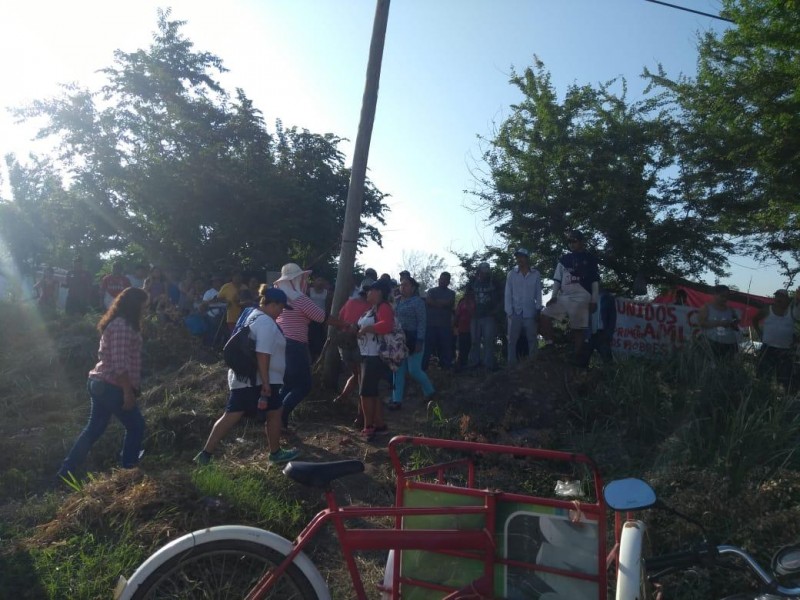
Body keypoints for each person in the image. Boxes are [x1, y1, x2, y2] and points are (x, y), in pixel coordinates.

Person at [194, 287, 300, 466]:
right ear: (272, 304)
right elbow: (262, 353)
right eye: (281, 307)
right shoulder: (266, 322)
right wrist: (266, 382)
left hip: (248, 377)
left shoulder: (250, 314)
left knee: (273, 412)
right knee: (234, 414)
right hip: (258, 380)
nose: (282, 312)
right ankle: (206, 454)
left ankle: (206, 454)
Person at [58, 287, 149, 479]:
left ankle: (65, 472)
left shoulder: (119, 324)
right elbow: (119, 364)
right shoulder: (123, 327)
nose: (145, 310)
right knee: (136, 426)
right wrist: (127, 392)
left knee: (94, 430)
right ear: (135, 305)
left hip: (101, 383)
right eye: (143, 306)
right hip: (111, 386)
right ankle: (128, 472)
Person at [275, 263, 342, 432]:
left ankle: (275, 419)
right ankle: (280, 415)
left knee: (289, 384)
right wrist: (345, 324)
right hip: (295, 345)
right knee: (303, 386)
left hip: (280, 344)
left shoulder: (279, 298)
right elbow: (322, 317)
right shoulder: (300, 298)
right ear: (296, 280)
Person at [540, 232, 599, 364]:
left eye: (575, 241)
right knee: (544, 315)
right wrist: (553, 296)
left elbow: (595, 281)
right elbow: (557, 279)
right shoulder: (564, 259)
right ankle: (550, 344)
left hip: (582, 296)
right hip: (564, 296)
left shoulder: (590, 259)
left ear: (581, 241)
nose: (572, 244)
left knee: (578, 329)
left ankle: (577, 358)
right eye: (570, 241)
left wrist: (594, 300)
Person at [357, 280, 394, 440]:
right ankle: (379, 425)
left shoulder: (383, 306)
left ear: (378, 292)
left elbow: (387, 325)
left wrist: (367, 328)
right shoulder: (374, 308)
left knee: (366, 393)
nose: (367, 293)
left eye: (370, 290)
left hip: (374, 356)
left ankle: (368, 427)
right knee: (372, 392)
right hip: (368, 355)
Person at [389, 277, 434, 409]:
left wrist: (420, 340)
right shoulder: (396, 301)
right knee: (398, 370)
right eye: (401, 285)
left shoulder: (418, 302)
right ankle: (396, 400)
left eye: (406, 285)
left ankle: (430, 391)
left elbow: (422, 322)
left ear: (413, 288)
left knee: (414, 370)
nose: (403, 287)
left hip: (414, 338)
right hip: (398, 340)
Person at [333, 281, 372, 424]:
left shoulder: (349, 303)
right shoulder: (371, 307)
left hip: (344, 344)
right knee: (362, 379)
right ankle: (361, 416)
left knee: (355, 374)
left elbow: (340, 317)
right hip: (359, 344)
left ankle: (342, 397)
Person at [752, 288, 799, 390]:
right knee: (763, 376)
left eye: (782, 296)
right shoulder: (767, 309)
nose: (779, 298)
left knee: (785, 379)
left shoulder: (792, 311)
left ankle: (782, 399)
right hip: (767, 348)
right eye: (777, 296)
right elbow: (755, 319)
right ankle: (762, 395)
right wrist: (759, 333)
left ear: (787, 299)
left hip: (785, 350)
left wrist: (797, 340)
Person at [504, 248, 543, 366]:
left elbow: (538, 293)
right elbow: (507, 293)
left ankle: (532, 364)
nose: (519, 259)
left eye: (522, 257)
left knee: (532, 339)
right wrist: (509, 312)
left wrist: (538, 309)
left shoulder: (535, 274)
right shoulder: (511, 274)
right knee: (512, 340)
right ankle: (511, 365)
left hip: (530, 312)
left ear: (527, 258)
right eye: (518, 257)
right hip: (515, 312)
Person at [469, 262, 501, 370]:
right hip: (475, 316)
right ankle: (474, 363)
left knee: (488, 340)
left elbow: (501, 298)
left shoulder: (494, 282)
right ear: (479, 271)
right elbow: (467, 296)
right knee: (474, 341)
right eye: (483, 272)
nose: (484, 274)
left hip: (489, 316)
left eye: (486, 272)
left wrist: (495, 311)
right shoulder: (473, 282)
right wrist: (470, 309)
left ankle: (488, 365)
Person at [423, 272, 456, 370]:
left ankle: (446, 368)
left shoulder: (451, 293)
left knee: (445, 348)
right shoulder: (431, 291)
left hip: (445, 325)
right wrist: (442, 304)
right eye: (441, 279)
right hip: (430, 325)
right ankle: (423, 368)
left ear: (449, 281)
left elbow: (450, 302)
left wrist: (435, 302)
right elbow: (428, 301)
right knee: (427, 348)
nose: (443, 281)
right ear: (439, 279)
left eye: (445, 279)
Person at [697, 284, 740, 357]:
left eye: (727, 297)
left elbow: (736, 322)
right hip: (711, 342)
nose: (725, 299)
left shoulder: (730, 310)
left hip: (729, 343)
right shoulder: (706, 308)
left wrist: (734, 324)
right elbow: (701, 323)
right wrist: (720, 323)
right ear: (715, 295)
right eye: (722, 296)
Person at [307, 276, 331, 362]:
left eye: (321, 280)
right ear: (314, 281)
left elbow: (328, 306)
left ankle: (319, 359)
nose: (320, 282)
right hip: (310, 318)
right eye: (318, 279)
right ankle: (312, 358)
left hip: (321, 319)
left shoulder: (326, 293)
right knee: (311, 338)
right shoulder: (309, 291)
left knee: (321, 338)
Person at [216, 270, 246, 336]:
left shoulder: (244, 287)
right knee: (233, 336)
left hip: (243, 316)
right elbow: (218, 298)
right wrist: (227, 301)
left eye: (239, 276)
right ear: (232, 277)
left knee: (242, 336)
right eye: (236, 276)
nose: (238, 278)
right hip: (231, 316)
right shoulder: (226, 286)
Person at [454, 284, 476, 369]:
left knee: (469, 347)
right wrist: (454, 324)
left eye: (469, 293)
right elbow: (457, 314)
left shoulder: (475, 301)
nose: (467, 294)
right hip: (461, 328)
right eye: (466, 293)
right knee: (461, 347)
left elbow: (474, 314)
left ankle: (469, 364)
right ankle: (460, 364)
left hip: (471, 329)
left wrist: (468, 304)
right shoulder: (462, 301)